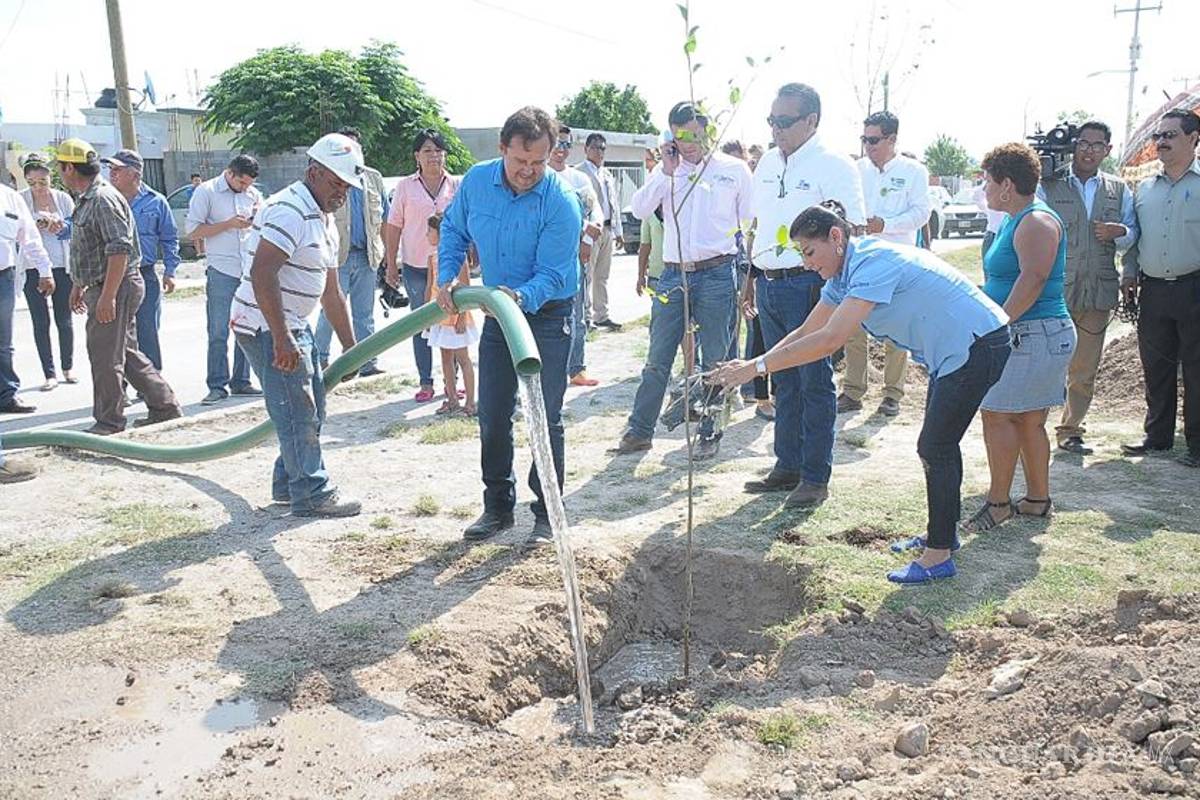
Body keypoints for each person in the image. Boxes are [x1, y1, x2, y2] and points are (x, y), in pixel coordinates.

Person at [711, 202, 1011, 584]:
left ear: (835, 237)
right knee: (939, 445)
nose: (806, 263)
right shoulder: (842, 276)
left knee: (935, 446)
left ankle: (938, 555)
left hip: (977, 346)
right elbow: (807, 331)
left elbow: (830, 340)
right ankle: (943, 535)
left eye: (809, 251)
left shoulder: (872, 263)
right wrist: (750, 366)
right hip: (954, 351)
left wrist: (757, 368)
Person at [435, 106, 582, 546]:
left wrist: (520, 298)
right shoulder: (477, 182)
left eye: (538, 162)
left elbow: (555, 273)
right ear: (503, 149)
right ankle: (498, 507)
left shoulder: (560, 201)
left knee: (544, 414)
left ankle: (546, 511)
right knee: (494, 413)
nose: (529, 171)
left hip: (547, 314)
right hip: (501, 313)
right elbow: (454, 230)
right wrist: (448, 276)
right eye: (520, 161)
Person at [743, 83, 867, 508]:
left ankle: (815, 476)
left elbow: (850, 231)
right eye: (771, 120)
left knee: (814, 382)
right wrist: (751, 278)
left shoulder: (834, 165)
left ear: (811, 120)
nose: (775, 129)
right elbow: (757, 226)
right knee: (784, 380)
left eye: (784, 121)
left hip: (811, 285)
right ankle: (787, 465)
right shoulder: (765, 166)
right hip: (770, 283)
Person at [230, 133, 364, 517]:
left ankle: (289, 483)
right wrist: (282, 338)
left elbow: (332, 292)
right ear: (314, 172)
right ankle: (311, 492)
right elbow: (263, 273)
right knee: (298, 409)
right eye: (335, 182)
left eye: (347, 186)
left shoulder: (322, 217)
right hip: (265, 323)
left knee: (309, 406)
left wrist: (352, 347)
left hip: (288, 322)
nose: (341, 192)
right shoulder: (290, 210)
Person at [612, 101, 753, 460]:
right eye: (678, 136)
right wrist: (666, 170)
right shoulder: (668, 172)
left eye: (691, 133)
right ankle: (640, 430)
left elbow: (748, 221)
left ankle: (710, 432)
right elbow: (640, 209)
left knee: (715, 359)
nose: (687, 142)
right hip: (674, 275)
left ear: (705, 128)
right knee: (658, 356)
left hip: (718, 272)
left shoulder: (733, 170)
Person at [961, 143, 1076, 532]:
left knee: (998, 416)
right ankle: (1036, 500)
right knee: (1027, 420)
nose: (984, 189)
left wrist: (999, 323)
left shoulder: (1035, 221)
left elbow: (1034, 278)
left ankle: (998, 505)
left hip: (1032, 334)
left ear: (1007, 184)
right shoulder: (1015, 218)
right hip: (1032, 334)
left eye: (987, 181)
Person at [54, 138, 183, 434]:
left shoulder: (101, 198)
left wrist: (108, 297)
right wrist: (79, 283)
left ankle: (109, 422)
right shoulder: (89, 197)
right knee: (124, 350)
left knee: (105, 355)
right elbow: (89, 247)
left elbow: (119, 249)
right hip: (106, 283)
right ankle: (164, 406)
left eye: (61, 168)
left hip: (117, 284)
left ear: (69, 168)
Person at [1037, 121, 1138, 455]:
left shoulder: (1119, 189)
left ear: (1108, 149)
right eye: (1082, 143)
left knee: (1084, 369)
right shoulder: (1048, 183)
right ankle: (1032, 426)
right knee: (1046, 363)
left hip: (1097, 291)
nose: (1088, 150)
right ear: (1073, 146)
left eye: (1097, 145)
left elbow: (1132, 235)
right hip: (1055, 291)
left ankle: (1070, 430)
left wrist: (1118, 231)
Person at [1120, 110, 1200, 468]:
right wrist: (1129, 274)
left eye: (1170, 135)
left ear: (1193, 139)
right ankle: (1158, 437)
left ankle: (1197, 446)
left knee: (1197, 369)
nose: (1161, 142)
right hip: (1153, 291)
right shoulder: (1145, 190)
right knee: (1156, 366)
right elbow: (1135, 241)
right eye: (1158, 136)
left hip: (1195, 288)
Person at [842, 111, 931, 417]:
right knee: (853, 328)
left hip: (897, 261)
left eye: (874, 139)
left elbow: (922, 213)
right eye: (864, 139)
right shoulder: (855, 170)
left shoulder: (914, 171)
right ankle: (853, 391)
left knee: (896, 329)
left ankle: (892, 394)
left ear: (892, 139)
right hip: (860, 259)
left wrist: (887, 224)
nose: (868, 145)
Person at [385, 129, 461, 404]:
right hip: (416, 265)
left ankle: (452, 381)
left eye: (438, 150)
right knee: (421, 324)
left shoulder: (456, 185)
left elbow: (467, 222)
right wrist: (390, 263)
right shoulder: (406, 186)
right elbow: (394, 225)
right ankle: (426, 381)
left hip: (448, 266)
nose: (434, 156)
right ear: (417, 156)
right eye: (428, 150)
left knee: (452, 322)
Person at [187, 154, 263, 405]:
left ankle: (241, 381)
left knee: (247, 326)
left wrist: (255, 219)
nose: (245, 188)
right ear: (230, 174)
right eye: (241, 183)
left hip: (248, 270)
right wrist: (228, 224)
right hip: (221, 269)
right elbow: (193, 230)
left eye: (249, 185)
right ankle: (217, 384)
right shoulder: (206, 192)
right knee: (219, 330)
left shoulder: (252, 195)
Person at [315, 126, 390, 378]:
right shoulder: (329, 178)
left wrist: (389, 259)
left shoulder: (373, 178)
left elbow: (386, 219)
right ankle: (320, 359)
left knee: (364, 314)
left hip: (368, 255)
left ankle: (368, 362)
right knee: (330, 310)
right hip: (338, 258)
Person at [103, 149, 180, 373]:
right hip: (111, 275)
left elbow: (169, 237)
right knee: (115, 333)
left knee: (147, 330)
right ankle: (120, 385)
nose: (112, 174)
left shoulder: (156, 201)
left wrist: (170, 270)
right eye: (111, 169)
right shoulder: (104, 200)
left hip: (144, 273)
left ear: (135, 174)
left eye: (118, 169)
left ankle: (153, 386)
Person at [549, 124, 604, 388]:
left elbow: (597, 215)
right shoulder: (540, 176)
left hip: (576, 259)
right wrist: (584, 228)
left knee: (578, 316)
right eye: (557, 144)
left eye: (566, 145)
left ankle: (576, 368)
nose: (561, 150)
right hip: (548, 260)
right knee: (549, 317)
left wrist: (587, 237)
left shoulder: (579, 180)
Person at [19, 154, 77, 390]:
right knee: (40, 321)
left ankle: (68, 367)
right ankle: (49, 373)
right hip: (32, 267)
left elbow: (77, 228)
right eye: (32, 183)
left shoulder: (63, 199)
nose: (38, 188)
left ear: (50, 178)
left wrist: (60, 226)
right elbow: (13, 229)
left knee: (64, 319)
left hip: (62, 265)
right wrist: (34, 226)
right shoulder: (20, 200)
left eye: (43, 182)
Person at [1, 178, 54, 414]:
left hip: (3, 275)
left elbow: (30, 238)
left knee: (3, 342)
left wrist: (45, 270)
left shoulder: (10, 198)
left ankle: (6, 395)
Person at [424, 214, 478, 415]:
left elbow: (465, 287)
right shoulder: (432, 258)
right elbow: (430, 287)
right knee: (445, 358)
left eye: (430, 230)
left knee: (463, 358)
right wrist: (425, 317)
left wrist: (462, 316)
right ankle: (452, 398)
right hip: (439, 315)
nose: (427, 234)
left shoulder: (458, 258)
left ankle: (471, 402)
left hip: (455, 315)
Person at [577, 132, 624, 332]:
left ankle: (601, 314)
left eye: (603, 148)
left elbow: (614, 203)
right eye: (595, 147)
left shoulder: (606, 174)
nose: (599, 151)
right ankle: (585, 316)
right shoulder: (579, 173)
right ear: (586, 149)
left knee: (602, 275)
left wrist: (618, 230)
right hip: (591, 230)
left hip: (607, 228)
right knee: (587, 273)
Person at [187, 174, 205, 257]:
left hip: (204, 214)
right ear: (192, 182)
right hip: (194, 214)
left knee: (204, 234)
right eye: (195, 180)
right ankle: (198, 252)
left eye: (199, 180)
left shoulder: (205, 190)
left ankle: (204, 251)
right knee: (196, 234)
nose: (197, 182)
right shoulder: (190, 191)